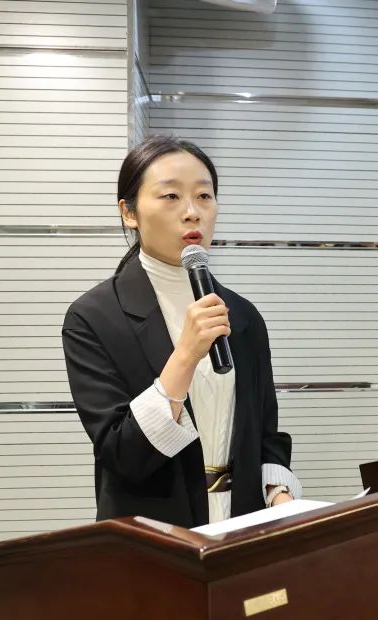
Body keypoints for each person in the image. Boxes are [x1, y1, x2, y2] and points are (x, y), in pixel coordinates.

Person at [61, 135, 302, 526]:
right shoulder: (93, 318)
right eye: (171, 196)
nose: (192, 213)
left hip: (241, 527)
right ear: (129, 212)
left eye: (204, 196)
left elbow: (264, 434)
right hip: (154, 537)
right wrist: (186, 354)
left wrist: (280, 497)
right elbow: (122, 454)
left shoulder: (242, 315)